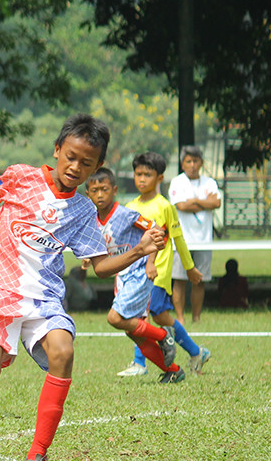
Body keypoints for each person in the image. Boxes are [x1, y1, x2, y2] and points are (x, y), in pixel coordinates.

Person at [0, 114, 165, 461]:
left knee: (63, 351)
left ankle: (36, 457)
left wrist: (139, 249)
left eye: (86, 163)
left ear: (97, 166)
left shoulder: (83, 211)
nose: (75, 167)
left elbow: (101, 266)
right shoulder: (20, 176)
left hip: (43, 296)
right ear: (57, 150)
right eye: (70, 157)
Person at [86, 167, 182, 381]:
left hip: (138, 273)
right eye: (94, 191)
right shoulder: (93, 220)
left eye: (104, 189)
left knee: (114, 318)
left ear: (114, 190)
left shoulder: (126, 214)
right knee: (134, 333)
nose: (100, 195)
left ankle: (163, 335)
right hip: (121, 277)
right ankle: (173, 371)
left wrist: (151, 262)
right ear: (88, 194)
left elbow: (157, 230)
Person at [120, 151, 211, 378]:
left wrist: (189, 267)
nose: (142, 179)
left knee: (148, 314)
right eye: (138, 174)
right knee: (152, 316)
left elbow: (178, 239)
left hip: (157, 271)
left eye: (147, 175)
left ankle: (142, 362)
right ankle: (195, 352)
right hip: (135, 271)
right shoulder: (129, 206)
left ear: (159, 178)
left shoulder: (164, 207)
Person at [168, 146, 222, 323]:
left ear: (201, 163)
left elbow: (216, 203)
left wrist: (196, 200)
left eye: (195, 161)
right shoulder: (177, 182)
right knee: (180, 280)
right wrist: (205, 203)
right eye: (188, 161)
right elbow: (181, 206)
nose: (192, 165)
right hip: (181, 241)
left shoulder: (209, 182)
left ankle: (196, 318)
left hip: (204, 240)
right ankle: (180, 318)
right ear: (182, 164)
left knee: (200, 280)